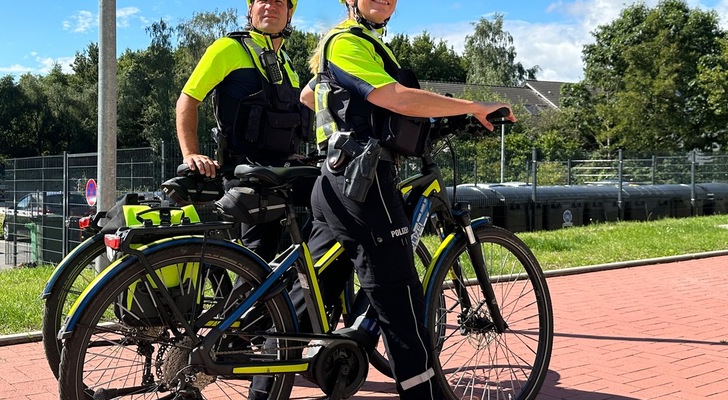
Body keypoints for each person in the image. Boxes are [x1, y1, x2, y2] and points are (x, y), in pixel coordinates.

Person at [300, 1, 518, 399]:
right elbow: (398, 98)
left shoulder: (353, 45)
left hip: (333, 180)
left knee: (306, 293)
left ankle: (266, 372)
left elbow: (308, 97)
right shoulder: (348, 41)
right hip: (363, 184)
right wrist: (473, 106)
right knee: (401, 299)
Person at [176, 0, 312, 262]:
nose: (270, 6)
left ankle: (303, 291)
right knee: (258, 258)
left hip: (281, 171)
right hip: (247, 174)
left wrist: (292, 152)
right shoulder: (229, 48)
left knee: (333, 200)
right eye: (262, 0)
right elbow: (188, 99)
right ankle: (250, 303)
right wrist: (191, 153)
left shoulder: (287, 63)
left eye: (279, 2)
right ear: (250, 9)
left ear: (290, 13)